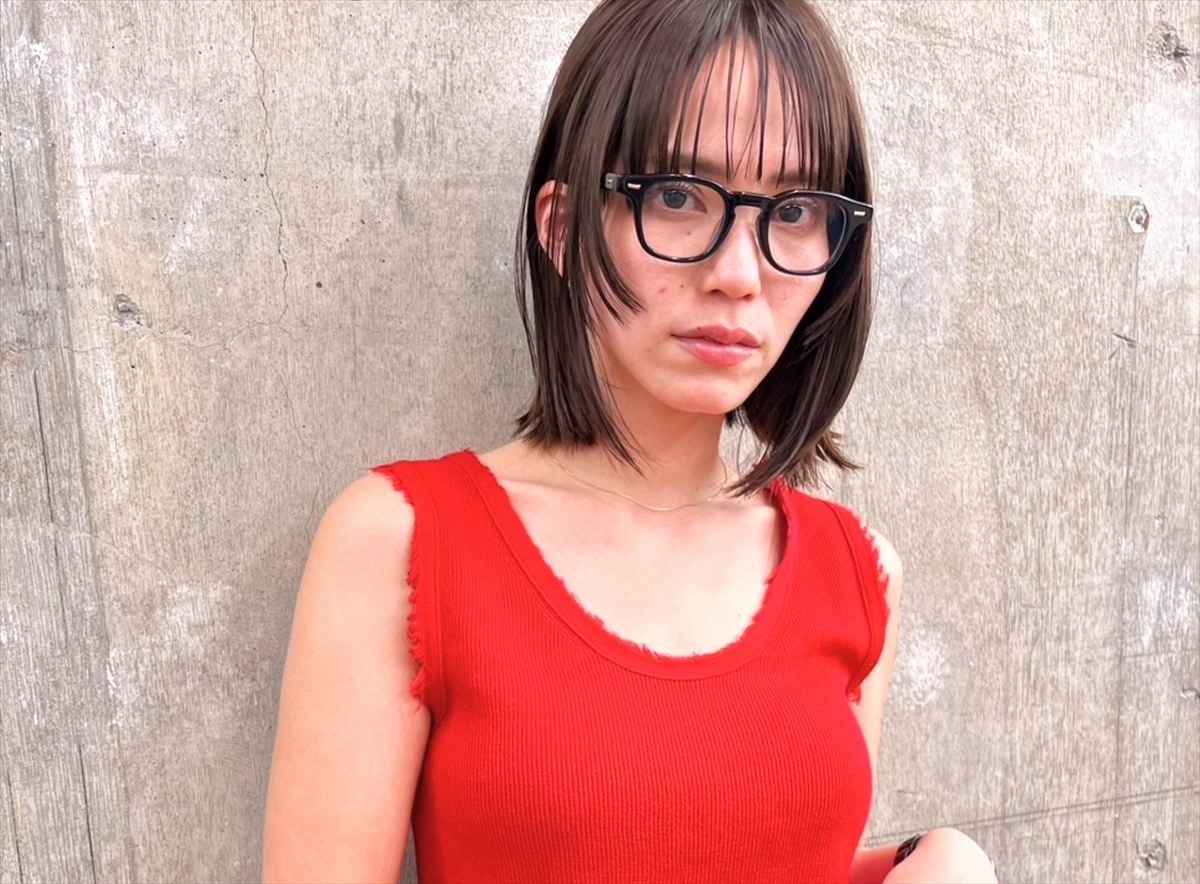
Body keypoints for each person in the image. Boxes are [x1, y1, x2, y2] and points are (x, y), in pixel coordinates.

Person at [262, 1, 998, 882]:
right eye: (679, 196)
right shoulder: (407, 542)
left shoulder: (857, 574)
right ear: (562, 227)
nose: (739, 274)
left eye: (796, 210)